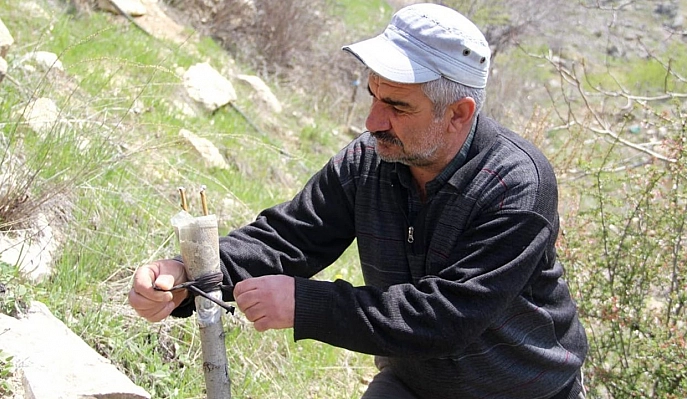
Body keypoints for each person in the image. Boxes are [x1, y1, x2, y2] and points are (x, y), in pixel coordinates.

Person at [129, 3, 588, 398]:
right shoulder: (370, 161)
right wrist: (187, 279)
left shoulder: (516, 186)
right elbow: (289, 238)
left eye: (398, 106)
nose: (372, 121)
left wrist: (307, 305)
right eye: (373, 95)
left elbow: (447, 317)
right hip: (413, 383)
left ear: (458, 113)